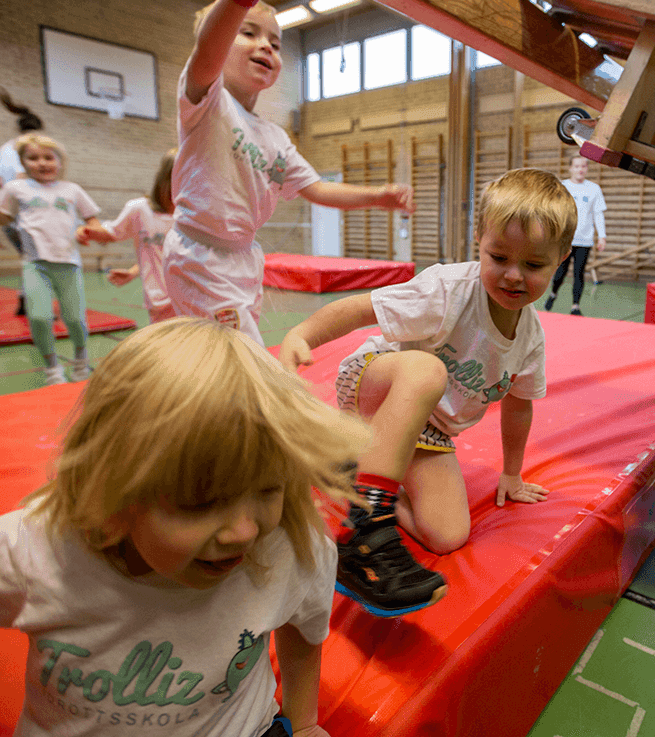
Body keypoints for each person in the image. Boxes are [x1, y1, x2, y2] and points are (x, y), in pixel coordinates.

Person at [0, 318, 370, 737]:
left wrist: (304, 725)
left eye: (268, 489)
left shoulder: (288, 548)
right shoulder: (36, 553)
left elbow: (303, 632)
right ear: (114, 490)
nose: (244, 532)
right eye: (201, 504)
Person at [279, 168, 578, 618]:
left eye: (533, 265)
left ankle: (350, 471)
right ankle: (361, 526)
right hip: (376, 384)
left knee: (448, 534)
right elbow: (365, 307)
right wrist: (303, 333)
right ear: (479, 240)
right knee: (426, 369)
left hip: (428, 429)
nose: (514, 276)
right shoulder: (450, 290)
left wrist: (512, 475)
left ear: (562, 258)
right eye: (499, 257)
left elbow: (518, 406)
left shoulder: (529, 338)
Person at [163, 0, 414, 346]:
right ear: (223, 38)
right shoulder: (207, 103)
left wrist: (379, 196)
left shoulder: (275, 137)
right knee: (242, 356)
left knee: (216, 355)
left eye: (276, 44)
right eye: (248, 33)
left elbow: (318, 188)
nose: (266, 46)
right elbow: (207, 50)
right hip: (200, 254)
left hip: (243, 256)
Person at [0, 134, 103, 385]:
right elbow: (4, 218)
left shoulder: (71, 190)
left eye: (48, 157)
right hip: (35, 264)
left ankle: (80, 359)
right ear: (23, 163)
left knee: (75, 319)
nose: (42, 163)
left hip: (68, 264)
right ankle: (52, 368)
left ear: (59, 161)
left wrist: (88, 230)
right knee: (38, 317)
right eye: (33, 158)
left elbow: (93, 220)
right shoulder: (16, 189)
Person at [77, 149, 177, 323]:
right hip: (160, 302)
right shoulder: (140, 209)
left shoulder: (195, 215)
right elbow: (112, 234)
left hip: (192, 300)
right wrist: (87, 232)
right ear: (167, 178)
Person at [0, 87, 44, 316]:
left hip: (7, 216)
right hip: (24, 215)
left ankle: (26, 298)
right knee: (39, 260)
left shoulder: (3, 150)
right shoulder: (27, 149)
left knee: (31, 259)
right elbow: (20, 181)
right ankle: (30, 301)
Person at [544, 155, 606, 316]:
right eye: (577, 166)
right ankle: (553, 293)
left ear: (587, 169)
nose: (580, 169)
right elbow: (553, 211)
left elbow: (598, 214)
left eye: (583, 166)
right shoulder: (563, 187)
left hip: (584, 240)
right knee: (560, 272)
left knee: (579, 272)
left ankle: (575, 306)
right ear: (570, 168)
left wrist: (602, 236)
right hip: (565, 239)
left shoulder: (594, 189)